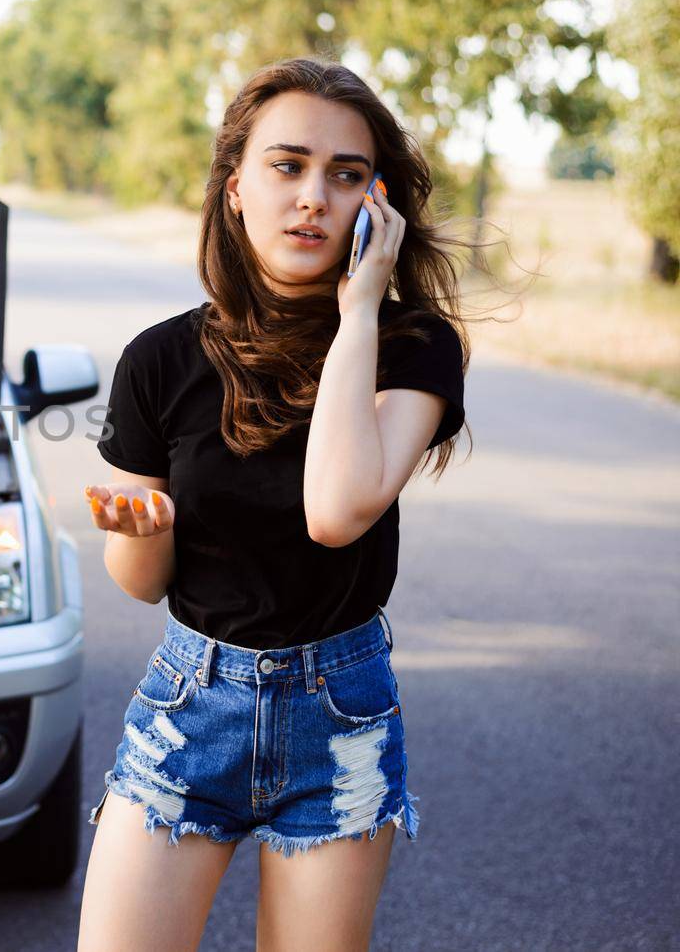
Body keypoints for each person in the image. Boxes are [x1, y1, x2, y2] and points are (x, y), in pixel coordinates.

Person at [74, 57, 472, 952]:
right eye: (287, 166)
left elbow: (336, 509)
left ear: (378, 201)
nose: (313, 199)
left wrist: (362, 309)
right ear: (235, 188)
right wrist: (148, 532)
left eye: (346, 174)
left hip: (340, 712)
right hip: (190, 702)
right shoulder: (159, 361)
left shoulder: (414, 348)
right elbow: (141, 584)